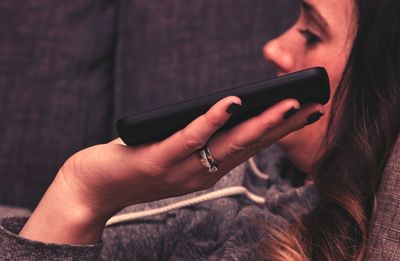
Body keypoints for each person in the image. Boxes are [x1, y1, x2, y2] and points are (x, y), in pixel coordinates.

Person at [1, 0, 399, 260]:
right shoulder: (232, 187)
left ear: (383, 84)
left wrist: (80, 195)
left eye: (311, 34)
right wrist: (80, 194)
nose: (273, 48)